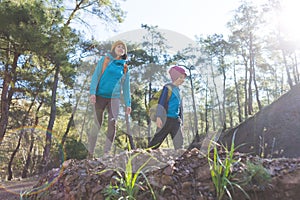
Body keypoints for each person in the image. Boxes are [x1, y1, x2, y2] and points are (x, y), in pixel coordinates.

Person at [89, 40, 131, 157]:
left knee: (112, 123)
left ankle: (106, 152)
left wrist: (128, 103)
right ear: (114, 48)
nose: (121, 48)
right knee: (97, 123)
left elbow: (126, 87)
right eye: (119, 46)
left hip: (114, 98)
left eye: (123, 47)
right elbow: (96, 76)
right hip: (100, 95)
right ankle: (90, 152)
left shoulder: (125, 67)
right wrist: (93, 92)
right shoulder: (106, 60)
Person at [148, 66, 186, 150]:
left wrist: (181, 121)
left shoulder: (179, 91)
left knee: (179, 142)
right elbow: (161, 102)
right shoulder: (167, 88)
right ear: (175, 77)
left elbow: (180, 107)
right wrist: (158, 117)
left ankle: (180, 160)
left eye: (183, 78)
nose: (182, 80)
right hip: (165, 119)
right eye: (181, 77)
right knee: (157, 140)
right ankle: (146, 155)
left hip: (176, 120)